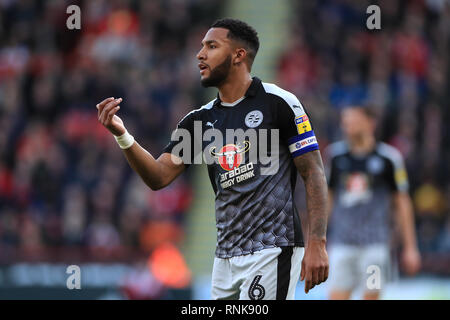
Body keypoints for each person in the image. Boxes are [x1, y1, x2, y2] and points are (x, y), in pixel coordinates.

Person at [96, 18, 329, 300]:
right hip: (225, 257)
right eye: (202, 46)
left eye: (212, 46)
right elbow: (158, 176)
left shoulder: (279, 102)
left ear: (238, 55)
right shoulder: (199, 121)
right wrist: (123, 136)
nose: (200, 54)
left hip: (273, 247)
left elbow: (313, 172)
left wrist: (317, 240)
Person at [325, 106, 421, 300]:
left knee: (371, 296)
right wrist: (318, 239)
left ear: (370, 123)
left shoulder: (389, 158)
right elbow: (327, 199)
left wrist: (410, 247)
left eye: (353, 120)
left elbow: (402, 202)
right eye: (345, 121)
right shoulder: (334, 157)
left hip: (375, 246)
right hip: (343, 244)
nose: (347, 125)